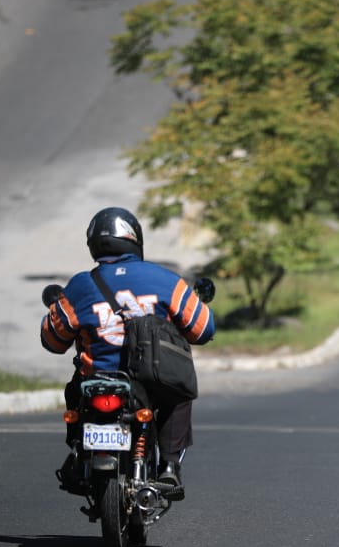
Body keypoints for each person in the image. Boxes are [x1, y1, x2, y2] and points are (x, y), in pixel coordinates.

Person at [40, 207, 216, 491]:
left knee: (73, 391)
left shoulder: (80, 286)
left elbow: (53, 341)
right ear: (135, 240)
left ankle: (76, 453)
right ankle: (169, 466)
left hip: (95, 379)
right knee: (179, 393)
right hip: (149, 379)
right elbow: (203, 329)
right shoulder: (165, 280)